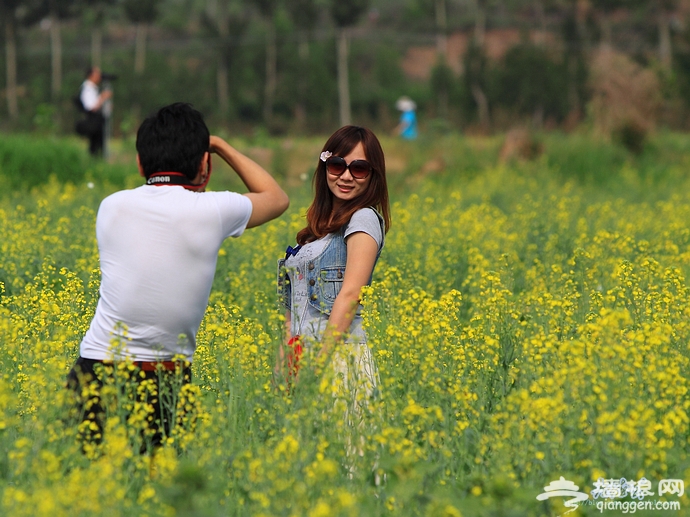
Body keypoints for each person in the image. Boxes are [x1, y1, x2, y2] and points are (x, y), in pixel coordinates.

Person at [66, 102, 289, 452]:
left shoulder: (111, 205)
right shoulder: (213, 210)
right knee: (163, 494)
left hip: (96, 370)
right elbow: (276, 198)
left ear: (140, 163)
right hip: (167, 378)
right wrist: (219, 145)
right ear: (204, 164)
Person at [276, 125, 390, 408]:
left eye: (359, 169)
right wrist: (284, 369)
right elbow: (291, 317)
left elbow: (351, 294)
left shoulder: (362, 219)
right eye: (337, 165)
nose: (346, 176)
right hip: (302, 357)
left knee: (345, 450)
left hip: (338, 358)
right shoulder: (315, 233)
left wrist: (316, 369)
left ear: (373, 175)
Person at [76, 67, 111, 156]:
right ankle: (95, 160)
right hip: (93, 121)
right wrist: (103, 97)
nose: (100, 76)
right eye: (97, 74)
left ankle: (97, 160)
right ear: (91, 76)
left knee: (98, 143)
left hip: (96, 121)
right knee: (95, 146)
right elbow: (91, 107)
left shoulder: (92, 88)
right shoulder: (87, 89)